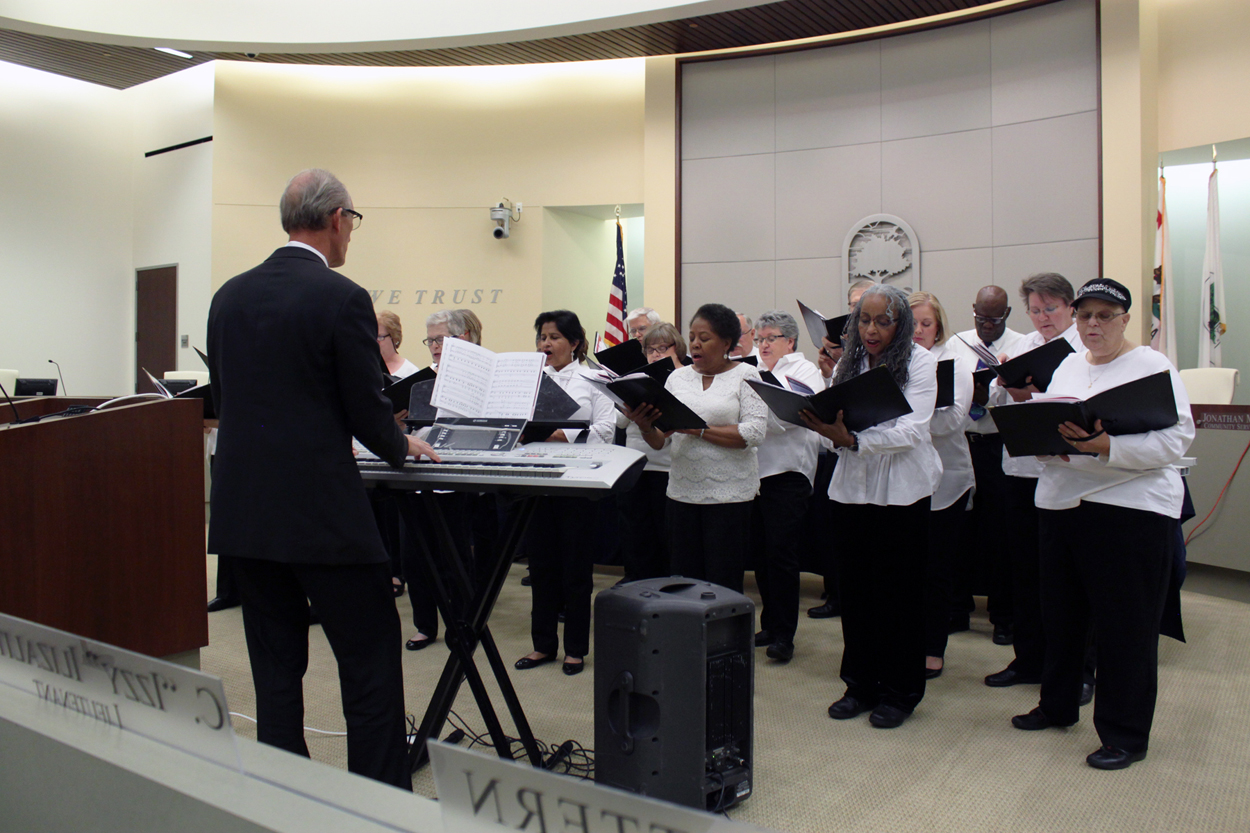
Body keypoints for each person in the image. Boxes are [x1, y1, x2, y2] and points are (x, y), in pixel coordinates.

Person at [207, 169, 439, 789]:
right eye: (352, 224)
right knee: (367, 665)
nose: (350, 237)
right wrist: (402, 446)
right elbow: (367, 409)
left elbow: (226, 398)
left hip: (245, 515)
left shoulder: (227, 295)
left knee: (275, 669)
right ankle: (378, 800)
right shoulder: (341, 296)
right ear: (337, 218)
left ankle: (285, 796)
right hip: (322, 516)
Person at [1010, 278, 1194, 771]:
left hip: (1129, 507)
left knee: (1124, 628)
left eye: (1104, 316)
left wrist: (1106, 446)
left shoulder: (1152, 367)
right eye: (1086, 315)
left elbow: (1176, 440)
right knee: (1062, 616)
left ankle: (1125, 735)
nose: (1093, 325)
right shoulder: (1068, 365)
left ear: (1124, 320)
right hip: (1063, 502)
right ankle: (1058, 705)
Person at [801, 284, 940, 729]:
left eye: (883, 320)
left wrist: (854, 439)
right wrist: (824, 415)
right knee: (857, 592)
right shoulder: (849, 362)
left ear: (900, 324)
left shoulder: (922, 362)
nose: (872, 329)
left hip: (902, 491)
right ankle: (859, 684)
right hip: (851, 489)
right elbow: (835, 415)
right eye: (864, 320)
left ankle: (900, 692)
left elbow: (913, 431)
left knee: (899, 594)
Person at [983, 273, 1083, 689]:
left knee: (1068, 579)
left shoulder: (1083, 348)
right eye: (1036, 310)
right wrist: (1005, 384)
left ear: (1070, 308)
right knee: (1024, 572)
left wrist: (1038, 392)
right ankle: (1028, 660)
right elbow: (991, 396)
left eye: (1051, 309)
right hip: (1021, 470)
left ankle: (1076, 671)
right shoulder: (1022, 346)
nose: (1042, 317)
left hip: (1068, 474)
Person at [626, 303, 768, 593]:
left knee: (722, 581)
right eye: (692, 337)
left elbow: (753, 433)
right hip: (682, 493)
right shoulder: (677, 378)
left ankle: (724, 639)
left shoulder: (746, 375)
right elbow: (660, 439)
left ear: (726, 343)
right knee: (683, 580)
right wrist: (643, 425)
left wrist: (697, 429)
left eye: (704, 338)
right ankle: (687, 638)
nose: (695, 344)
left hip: (729, 496)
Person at [515, 310, 615, 676]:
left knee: (575, 569)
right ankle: (542, 645)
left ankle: (575, 649)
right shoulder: (529, 379)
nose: (546, 344)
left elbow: (606, 427)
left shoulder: (593, 378)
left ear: (574, 343)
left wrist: (562, 434)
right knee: (540, 567)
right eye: (542, 337)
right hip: (537, 478)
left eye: (554, 337)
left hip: (577, 482)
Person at [944, 285, 1025, 642]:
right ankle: (957, 608)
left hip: (998, 444)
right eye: (980, 317)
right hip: (963, 442)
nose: (986, 324)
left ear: (1006, 314)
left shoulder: (1022, 345)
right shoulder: (957, 343)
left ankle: (1003, 615)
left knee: (1001, 533)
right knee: (960, 528)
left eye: (993, 319)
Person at [750, 310, 822, 662]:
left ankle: (785, 635)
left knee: (781, 556)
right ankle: (769, 623)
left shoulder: (803, 369)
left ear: (790, 341)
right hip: (755, 472)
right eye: (759, 338)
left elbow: (796, 416)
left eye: (770, 338)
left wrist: (754, 416)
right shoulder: (753, 367)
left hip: (788, 474)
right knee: (762, 555)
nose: (763, 344)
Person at [908, 291, 973, 680]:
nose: (918, 331)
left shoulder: (954, 363)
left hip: (947, 480)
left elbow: (951, 422)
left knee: (936, 572)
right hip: (903, 480)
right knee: (905, 570)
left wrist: (905, 421)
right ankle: (905, 641)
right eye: (911, 323)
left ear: (939, 327)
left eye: (926, 324)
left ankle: (933, 648)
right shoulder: (895, 363)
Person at [808, 279, 873, 619]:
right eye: (854, 306)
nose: (858, 312)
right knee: (834, 530)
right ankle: (836, 594)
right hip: (838, 451)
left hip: (873, 451)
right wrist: (830, 372)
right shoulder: (844, 352)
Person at [615, 323, 686, 582]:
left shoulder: (684, 378)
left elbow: (673, 430)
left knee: (664, 532)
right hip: (636, 463)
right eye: (650, 350)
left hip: (667, 467)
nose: (655, 355)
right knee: (635, 529)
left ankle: (665, 582)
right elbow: (620, 424)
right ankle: (635, 578)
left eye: (662, 348)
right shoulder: (636, 377)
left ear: (676, 349)